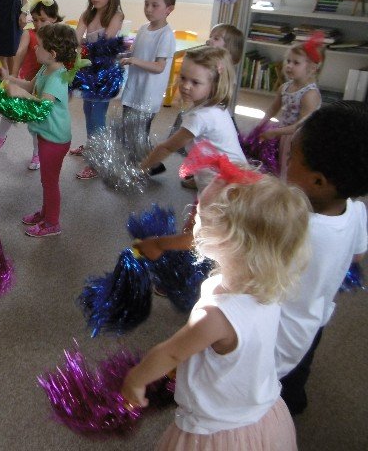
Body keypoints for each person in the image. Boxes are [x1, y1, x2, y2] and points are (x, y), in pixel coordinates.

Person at [122, 157, 310, 450]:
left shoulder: (215, 315)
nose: (193, 218)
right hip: (265, 413)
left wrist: (135, 379)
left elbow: (169, 353)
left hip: (217, 433)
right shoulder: (268, 289)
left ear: (227, 241)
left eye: (200, 216)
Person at [276, 102, 368, 416]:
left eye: (292, 157)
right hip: (316, 315)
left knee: (268, 383)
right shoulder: (356, 210)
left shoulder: (295, 227)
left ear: (318, 181)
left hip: (278, 329)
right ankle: (293, 400)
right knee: (299, 368)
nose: (285, 160)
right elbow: (358, 254)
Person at [4, 23, 76, 237]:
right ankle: (46, 213)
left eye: (39, 45)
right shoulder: (46, 68)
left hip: (56, 139)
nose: (34, 47)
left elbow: (42, 106)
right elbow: (29, 86)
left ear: (52, 54)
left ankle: (52, 223)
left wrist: (20, 94)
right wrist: (8, 78)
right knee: (47, 180)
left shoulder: (56, 78)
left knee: (50, 182)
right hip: (47, 134)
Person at [140, 46, 246, 190]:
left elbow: (167, 147)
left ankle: (204, 180)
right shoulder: (217, 107)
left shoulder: (200, 117)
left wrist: (142, 168)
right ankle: (199, 177)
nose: (185, 86)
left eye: (195, 82)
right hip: (236, 171)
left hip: (226, 184)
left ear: (214, 85)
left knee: (207, 203)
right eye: (183, 78)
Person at [0, 0, 63, 170]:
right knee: (10, 111)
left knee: (36, 121)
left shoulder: (57, 37)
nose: (38, 24)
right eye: (35, 19)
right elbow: (20, 53)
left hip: (44, 85)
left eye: (43, 20)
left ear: (54, 19)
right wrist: (13, 76)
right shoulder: (29, 34)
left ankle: (36, 153)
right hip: (26, 80)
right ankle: (1, 136)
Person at [69, 0, 126, 180]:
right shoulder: (88, 14)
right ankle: (91, 144)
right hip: (88, 70)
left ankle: (97, 159)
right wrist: (77, 45)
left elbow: (104, 43)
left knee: (97, 115)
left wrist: (84, 45)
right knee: (87, 109)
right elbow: (76, 38)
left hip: (104, 74)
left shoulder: (116, 16)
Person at [119, 0, 177, 165]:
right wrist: (121, 54)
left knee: (139, 135)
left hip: (147, 96)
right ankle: (140, 165)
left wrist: (134, 60)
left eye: (155, 5)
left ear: (169, 9)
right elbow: (133, 53)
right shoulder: (143, 29)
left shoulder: (166, 35)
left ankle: (147, 167)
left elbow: (159, 66)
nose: (148, 9)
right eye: (146, 4)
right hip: (133, 91)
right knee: (128, 132)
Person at [253, 39, 323, 179]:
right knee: (277, 164)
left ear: (312, 68)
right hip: (284, 132)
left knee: (290, 167)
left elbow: (301, 126)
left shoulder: (309, 94)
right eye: (288, 61)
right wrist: (262, 123)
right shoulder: (284, 87)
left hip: (300, 138)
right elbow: (273, 108)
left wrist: (275, 132)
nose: (289, 66)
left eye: (296, 63)